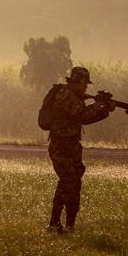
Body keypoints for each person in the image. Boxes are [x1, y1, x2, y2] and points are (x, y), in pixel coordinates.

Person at [45, 66, 114, 232]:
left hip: (72, 145)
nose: (85, 88)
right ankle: (54, 222)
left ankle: (70, 224)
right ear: (77, 82)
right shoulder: (65, 95)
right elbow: (82, 114)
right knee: (68, 181)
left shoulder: (75, 96)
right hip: (61, 145)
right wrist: (98, 105)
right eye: (84, 84)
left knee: (75, 182)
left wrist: (105, 110)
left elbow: (87, 119)